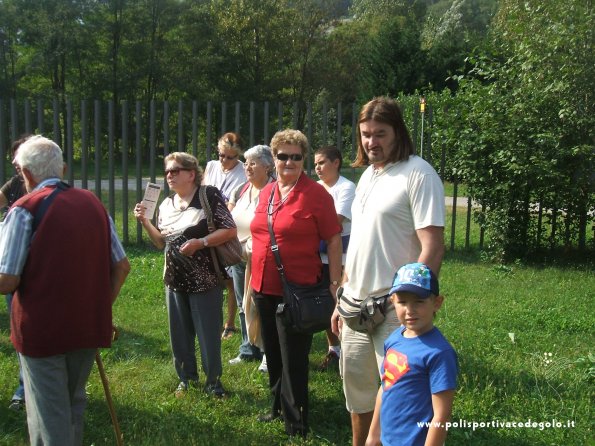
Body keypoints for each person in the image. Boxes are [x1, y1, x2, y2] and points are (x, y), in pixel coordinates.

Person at [0, 135, 130, 446]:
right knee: (72, 403)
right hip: (86, 327)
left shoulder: (24, 209)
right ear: (63, 169)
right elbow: (122, 266)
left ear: (27, 174)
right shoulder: (93, 203)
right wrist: (99, 307)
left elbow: (7, 280)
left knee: (49, 415)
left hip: (42, 333)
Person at [331, 96, 446, 446]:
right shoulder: (367, 175)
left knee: (400, 402)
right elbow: (361, 244)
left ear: (397, 132)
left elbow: (432, 248)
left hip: (394, 311)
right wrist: (341, 299)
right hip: (354, 306)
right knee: (359, 396)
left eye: (380, 133)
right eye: (365, 134)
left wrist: (407, 303)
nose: (371, 142)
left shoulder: (418, 174)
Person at [250, 129, 343, 437]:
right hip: (263, 287)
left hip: (298, 290)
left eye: (296, 156)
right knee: (273, 353)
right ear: (273, 160)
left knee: (294, 358)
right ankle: (277, 406)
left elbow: (332, 239)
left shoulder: (316, 195)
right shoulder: (267, 192)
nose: (288, 161)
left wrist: (334, 282)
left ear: (304, 159)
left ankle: (297, 422)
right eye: (282, 156)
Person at [135, 152, 237, 398]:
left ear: (191, 174)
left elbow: (230, 230)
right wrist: (145, 222)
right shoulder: (166, 204)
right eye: (167, 171)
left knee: (208, 335)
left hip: (205, 279)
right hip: (174, 279)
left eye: (175, 170)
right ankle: (186, 379)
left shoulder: (208, 195)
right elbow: (161, 243)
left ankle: (214, 383)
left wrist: (200, 242)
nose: (169, 175)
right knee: (179, 336)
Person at [366, 262, 457, 446]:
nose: (410, 310)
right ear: (393, 302)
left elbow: (442, 414)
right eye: (402, 302)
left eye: (419, 301)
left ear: (437, 303)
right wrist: (373, 435)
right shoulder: (394, 339)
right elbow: (385, 386)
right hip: (388, 440)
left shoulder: (439, 353)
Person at [227, 145, 275, 367]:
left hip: (263, 258)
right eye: (245, 162)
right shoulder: (242, 189)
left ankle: (268, 352)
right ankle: (248, 349)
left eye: (253, 163)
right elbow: (228, 217)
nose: (247, 167)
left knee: (262, 304)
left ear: (267, 166)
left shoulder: (275, 190)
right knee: (242, 304)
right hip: (239, 255)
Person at [313, 145, 355, 370]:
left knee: (341, 299)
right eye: (315, 163)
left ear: (336, 163)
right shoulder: (316, 188)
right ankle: (334, 349)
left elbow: (335, 222)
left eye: (321, 162)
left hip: (342, 257)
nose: (317, 168)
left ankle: (349, 348)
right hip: (318, 255)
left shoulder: (346, 188)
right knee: (326, 303)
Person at [203, 132, 247, 340]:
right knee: (211, 275)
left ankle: (230, 323)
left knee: (229, 278)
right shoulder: (212, 166)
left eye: (230, 157)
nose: (225, 160)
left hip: (229, 227)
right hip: (206, 225)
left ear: (238, 156)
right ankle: (209, 319)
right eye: (222, 155)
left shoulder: (244, 171)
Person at [0, 135, 29, 411]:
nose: (13, 161)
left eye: (18, 155)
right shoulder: (16, 184)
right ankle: (24, 388)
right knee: (20, 329)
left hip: (33, 274)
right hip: (12, 268)